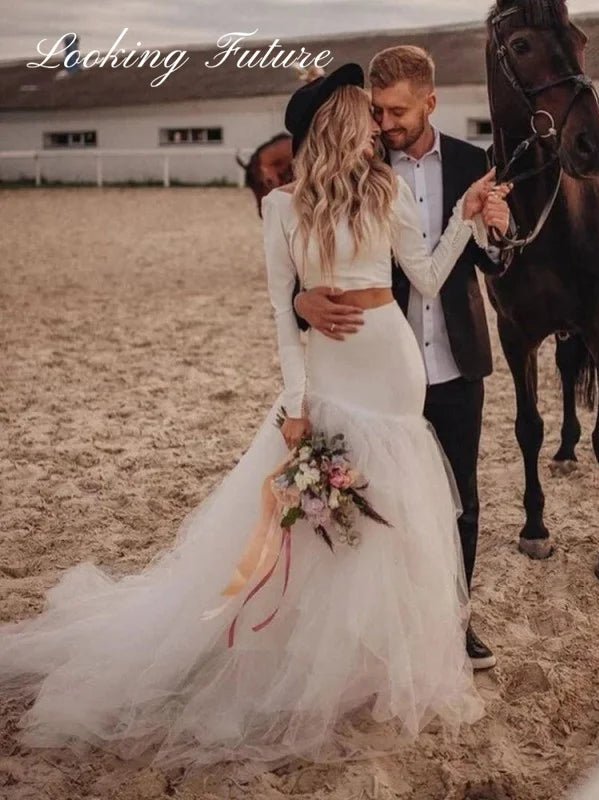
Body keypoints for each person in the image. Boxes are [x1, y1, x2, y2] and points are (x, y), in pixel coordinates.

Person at [0, 63, 511, 771]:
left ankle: (371, 663)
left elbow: (424, 277)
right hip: (329, 373)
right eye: (365, 114)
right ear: (340, 123)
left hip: (394, 370)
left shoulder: (387, 189)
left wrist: (462, 217)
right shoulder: (281, 208)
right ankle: (310, 659)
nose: (375, 125)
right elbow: (282, 314)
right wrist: (296, 406)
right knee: (320, 517)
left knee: (388, 508)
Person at [294, 46, 509, 670]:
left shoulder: (475, 161)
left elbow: (497, 260)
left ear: (430, 103)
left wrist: (494, 227)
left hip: (455, 361)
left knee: (457, 498)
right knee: (375, 498)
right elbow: (313, 252)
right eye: (378, 112)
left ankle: (457, 622)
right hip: (374, 368)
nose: (385, 124)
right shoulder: (362, 163)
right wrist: (302, 299)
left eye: (396, 111)